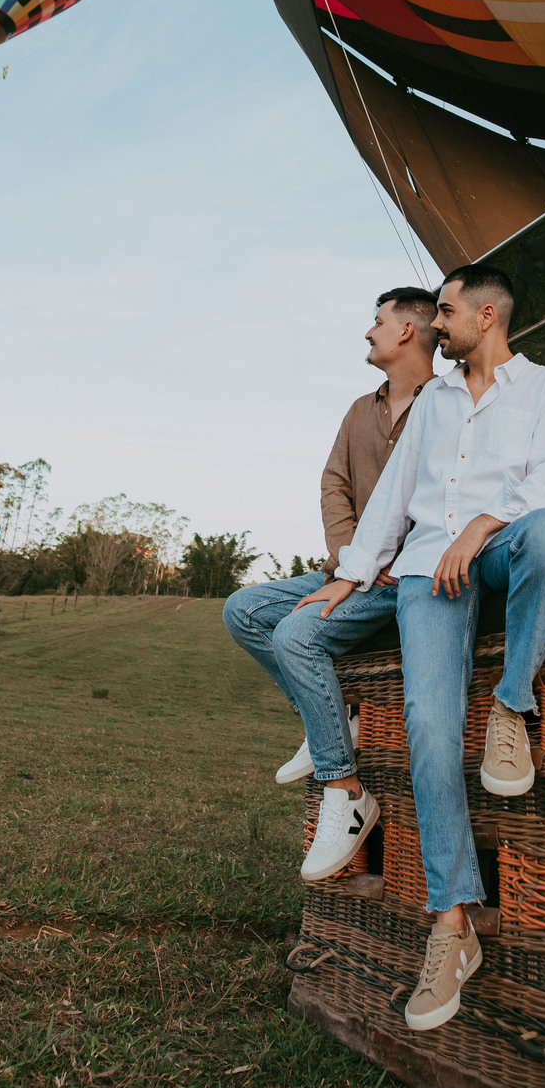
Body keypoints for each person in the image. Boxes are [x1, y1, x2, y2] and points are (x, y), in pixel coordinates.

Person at [296, 264, 545, 1033]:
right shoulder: (434, 403)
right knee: (428, 725)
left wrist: (485, 524)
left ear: (486, 315)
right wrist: (349, 576)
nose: (436, 324)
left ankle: (511, 706)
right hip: (428, 568)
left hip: (502, 539)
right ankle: (452, 924)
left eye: (447, 311)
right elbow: (390, 502)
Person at [222, 287, 438, 848]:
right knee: (243, 609)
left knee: (295, 632)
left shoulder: (447, 405)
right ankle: (331, 719)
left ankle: (343, 792)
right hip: (348, 568)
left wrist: (391, 559)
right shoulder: (358, 410)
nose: (368, 332)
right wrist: (347, 559)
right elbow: (333, 484)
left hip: (402, 579)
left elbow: (449, 497)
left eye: (377, 321)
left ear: (408, 331)